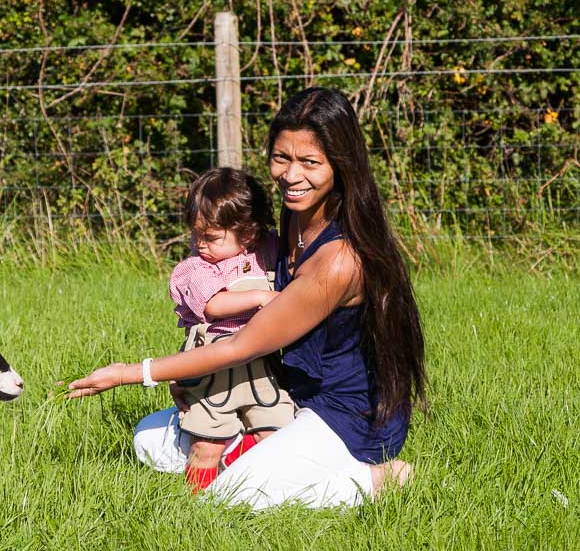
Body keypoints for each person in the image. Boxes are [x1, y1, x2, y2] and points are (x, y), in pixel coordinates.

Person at [67, 87, 426, 509]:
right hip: (284, 389)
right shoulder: (296, 214)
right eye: (281, 158)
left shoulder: (338, 260)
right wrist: (202, 383)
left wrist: (129, 373)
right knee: (148, 440)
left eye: (310, 162)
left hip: (346, 416)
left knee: (227, 499)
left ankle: (377, 478)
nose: (291, 176)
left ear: (340, 165)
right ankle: (262, 456)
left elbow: (241, 345)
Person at [167, 167, 294, 493]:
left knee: (275, 434)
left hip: (262, 367)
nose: (200, 244)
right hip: (213, 370)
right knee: (205, 445)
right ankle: (197, 502)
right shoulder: (193, 268)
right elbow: (214, 305)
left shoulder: (265, 250)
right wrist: (260, 297)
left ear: (248, 234)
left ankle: (237, 461)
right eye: (195, 235)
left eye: (210, 237)